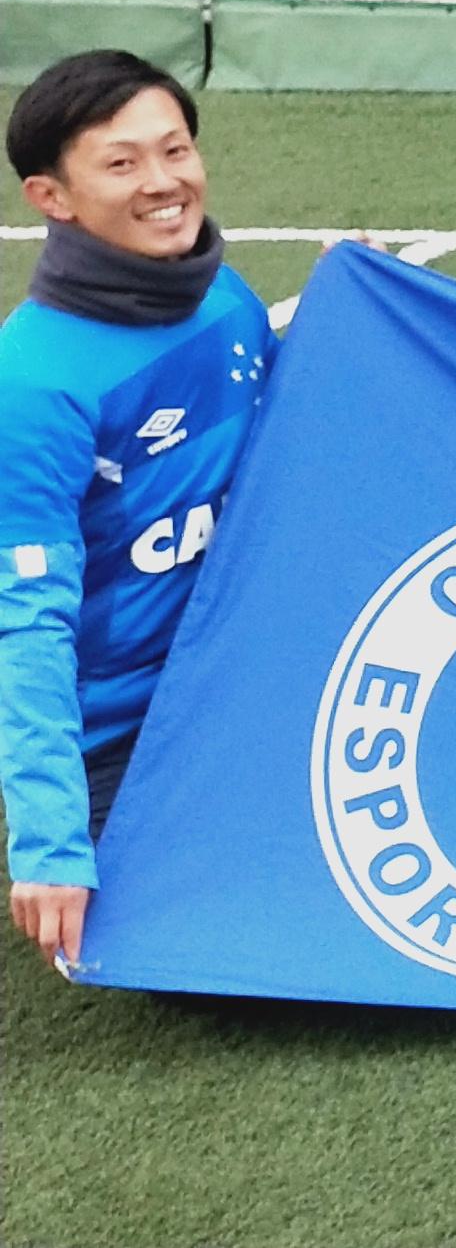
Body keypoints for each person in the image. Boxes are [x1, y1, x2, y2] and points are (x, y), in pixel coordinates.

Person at [2, 52, 275, 975]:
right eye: (122, 164)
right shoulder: (32, 384)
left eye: (176, 150)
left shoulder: (225, 299)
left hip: (250, 674)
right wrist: (48, 846)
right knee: (199, 960)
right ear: (54, 196)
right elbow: (25, 626)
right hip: (123, 730)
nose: (165, 184)